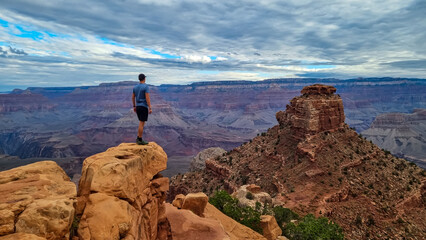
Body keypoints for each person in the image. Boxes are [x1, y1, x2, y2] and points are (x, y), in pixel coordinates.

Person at [132, 73, 152, 145]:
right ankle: (139, 139)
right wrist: (150, 107)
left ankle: (138, 138)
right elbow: (147, 98)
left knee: (141, 122)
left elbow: (133, 97)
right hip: (143, 107)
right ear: (144, 78)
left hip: (138, 107)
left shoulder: (135, 87)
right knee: (142, 123)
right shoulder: (146, 87)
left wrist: (134, 106)